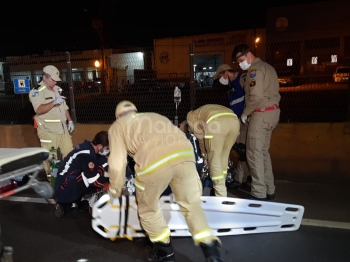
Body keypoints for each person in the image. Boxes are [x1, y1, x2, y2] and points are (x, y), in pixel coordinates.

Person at [107, 101, 223, 262]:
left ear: (118, 116)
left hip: (152, 162)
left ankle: (165, 254)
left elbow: (117, 162)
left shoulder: (117, 127)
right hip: (184, 155)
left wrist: (115, 189)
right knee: (192, 206)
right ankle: (212, 254)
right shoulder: (155, 116)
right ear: (135, 111)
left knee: (148, 210)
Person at [231, 43, 281, 201]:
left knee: (253, 154)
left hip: (260, 114)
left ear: (247, 54)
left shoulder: (254, 70)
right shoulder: (268, 67)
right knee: (263, 153)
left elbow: (256, 97)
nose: (240, 64)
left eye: (240, 60)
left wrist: (245, 113)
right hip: (272, 113)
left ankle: (259, 193)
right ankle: (269, 189)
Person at [29, 65, 75, 178]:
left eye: (56, 80)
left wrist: (70, 121)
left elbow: (64, 107)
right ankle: (50, 184)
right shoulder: (37, 92)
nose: (55, 82)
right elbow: (39, 110)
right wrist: (54, 102)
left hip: (62, 129)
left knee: (70, 155)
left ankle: (67, 179)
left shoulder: (57, 89)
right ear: (44, 77)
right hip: (48, 131)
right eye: (53, 80)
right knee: (50, 159)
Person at [187, 104, 240, 197]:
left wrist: (205, 156)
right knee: (224, 157)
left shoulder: (190, 116)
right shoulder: (203, 111)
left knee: (214, 160)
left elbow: (200, 139)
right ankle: (222, 188)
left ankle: (221, 196)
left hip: (216, 124)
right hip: (234, 122)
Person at [54, 131, 110, 218]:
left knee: (96, 170)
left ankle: (77, 202)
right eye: (107, 148)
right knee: (95, 174)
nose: (107, 151)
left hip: (65, 182)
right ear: (99, 146)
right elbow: (93, 181)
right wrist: (109, 185)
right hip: (63, 189)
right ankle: (68, 204)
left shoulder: (88, 148)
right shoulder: (87, 155)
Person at [212, 64, 251, 189]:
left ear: (226, 73)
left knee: (244, 150)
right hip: (238, 122)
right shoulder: (231, 86)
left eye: (219, 76)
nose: (219, 80)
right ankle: (242, 178)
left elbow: (252, 96)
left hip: (247, 120)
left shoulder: (242, 79)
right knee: (241, 150)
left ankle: (243, 178)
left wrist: (248, 114)